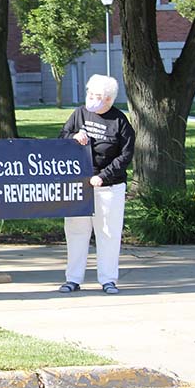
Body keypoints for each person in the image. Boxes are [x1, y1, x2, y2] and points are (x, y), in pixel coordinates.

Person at [58, 74, 134, 295]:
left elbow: (125, 155)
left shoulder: (119, 121)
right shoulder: (80, 114)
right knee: (75, 232)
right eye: (90, 93)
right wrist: (74, 136)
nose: (92, 99)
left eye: (97, 96)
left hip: (109, 186)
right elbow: (61, 137)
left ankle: (108, 279)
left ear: (109, 99)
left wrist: (104, 176)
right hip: (79, 185)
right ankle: (72, 279)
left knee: (108, 233)